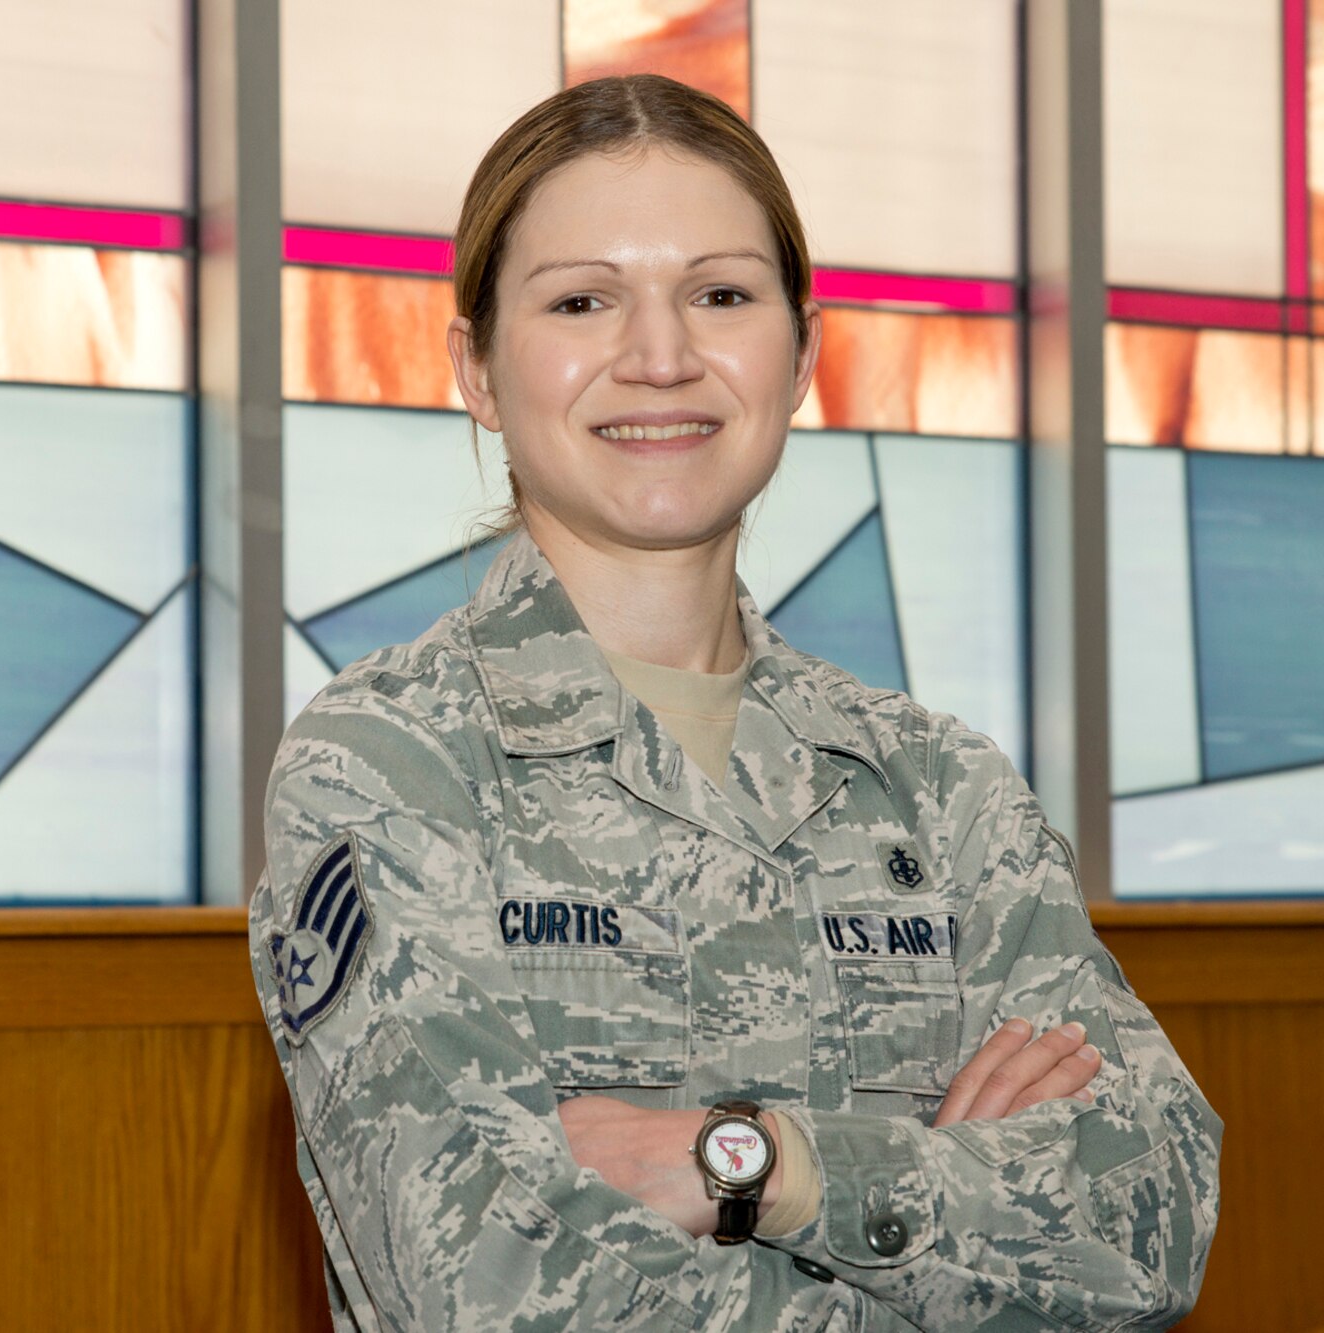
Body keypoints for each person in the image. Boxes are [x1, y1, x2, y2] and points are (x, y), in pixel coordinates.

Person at [247, 75, 1220, 1330]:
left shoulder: (934, 786)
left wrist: (756, 1163)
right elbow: (490, 1290)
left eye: (719, 295)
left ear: (801, 353)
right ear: (476, 369)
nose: (659, 357)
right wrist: (958, 1231)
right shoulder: (392, 761)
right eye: (581, 300)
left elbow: (1153, 1212)